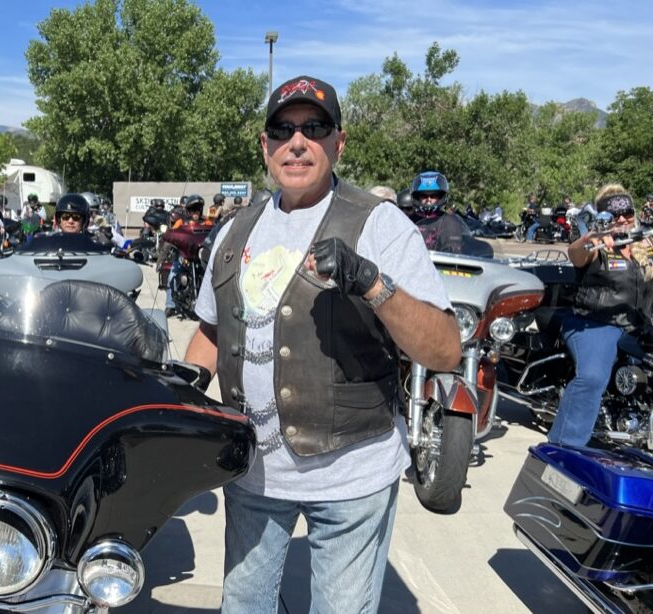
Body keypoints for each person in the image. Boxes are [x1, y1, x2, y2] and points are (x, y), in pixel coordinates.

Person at [183, 74, 460, 613]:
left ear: (339, 141)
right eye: (282, 130)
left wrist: (372, 283)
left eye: (314, 127)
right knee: (243, 606)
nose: (297, 142)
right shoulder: (234, 230)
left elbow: (445, 350)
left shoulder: (380, 224)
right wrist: (180, 395)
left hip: (351, 479)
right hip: (253, 473)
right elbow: (213, 332)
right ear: (264, 145)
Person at [547, 185, 653, 448]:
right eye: (614, 215)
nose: (622, 219)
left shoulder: (646, 245)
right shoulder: (597, 245)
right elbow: (576, 254)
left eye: (627, 213)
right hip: (593, 324)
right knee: (592, 377)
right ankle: (564, 447)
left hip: (637, 326)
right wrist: (592, 237)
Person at [411, 171, 463, 253]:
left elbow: (452, 253)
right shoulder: (411, 220)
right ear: (418, 198)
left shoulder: (449, 222)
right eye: (424, 196)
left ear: (440, 197)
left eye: (433, 196)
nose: (429, 199)